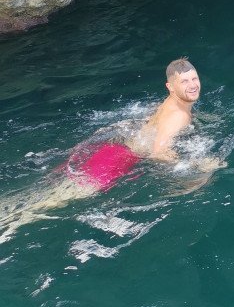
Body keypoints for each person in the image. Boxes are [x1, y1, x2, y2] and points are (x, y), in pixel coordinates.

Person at [0, 59, 214, 241]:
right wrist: (195, 165)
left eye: (194, 79)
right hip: (117, 159)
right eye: (184, 81)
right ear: (170, 86)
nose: (192, 85)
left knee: (49, 192)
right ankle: (9, 221)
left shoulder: (174, 104)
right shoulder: (179, 115)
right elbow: (159, 152)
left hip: (114, 148)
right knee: (50, 201)